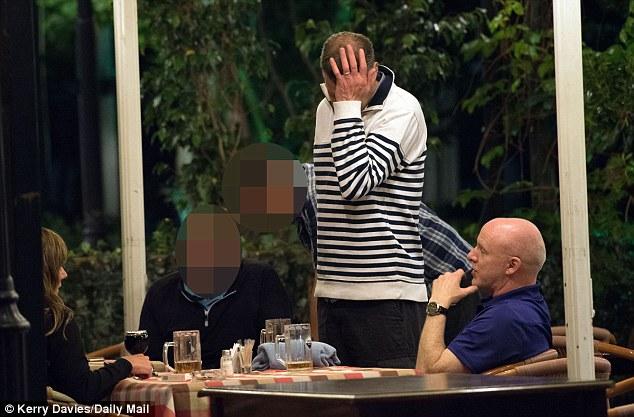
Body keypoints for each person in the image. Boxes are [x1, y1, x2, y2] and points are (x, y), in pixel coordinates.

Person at [313, 31, 429, 367]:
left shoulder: (403, 110)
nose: (342, 91)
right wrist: (342, 105)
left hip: (388, 294)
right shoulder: (327, 107)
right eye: (334, 85)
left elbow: (355, 183)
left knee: (393, 396)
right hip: (333, 293)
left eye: (350, 82)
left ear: (373, 71)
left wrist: (347, 107)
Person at [296, 162, 479, 345]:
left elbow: (331, 286)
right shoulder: (311, 190)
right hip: (432, 284)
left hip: (458, 279)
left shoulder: (320, 194)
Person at [139, 209, 292, 370]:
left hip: (252, 383)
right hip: (181, 384)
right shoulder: (161, 293)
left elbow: (282, 349)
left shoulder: (261, 280)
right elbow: (148, 363)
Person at [416, 218, 552, 374]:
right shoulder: (527, 305)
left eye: (482, 251)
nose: (470, 255)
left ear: (511, 266)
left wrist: (437, 302)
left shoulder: (505, 318)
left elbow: (428, 374)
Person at [43, 228, 152, 404]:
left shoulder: (18, 318)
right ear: (45, 273)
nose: (64, 273)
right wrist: (127, 364)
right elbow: (84, 389)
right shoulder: (57, 320)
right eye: (57, 266)